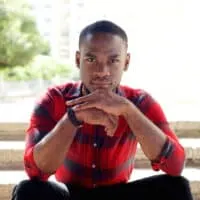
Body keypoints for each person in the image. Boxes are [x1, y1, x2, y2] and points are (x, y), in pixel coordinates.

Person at [11, 20, 193, 200]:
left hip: (119, 194)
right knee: (28, 190)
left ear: (126, 62)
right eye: (91, 59)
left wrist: (129, 111)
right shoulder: (54, 99)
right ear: (77, 59)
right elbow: (35, 171)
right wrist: (74, 117)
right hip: (69, 195)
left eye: (113, 60)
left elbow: (175, 165)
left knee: (176, 187)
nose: (102, 71)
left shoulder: (139, 102)